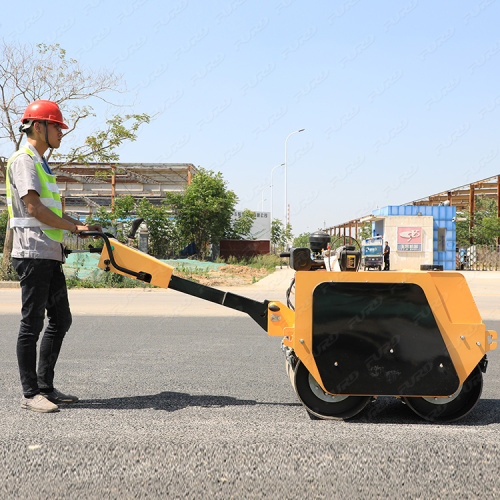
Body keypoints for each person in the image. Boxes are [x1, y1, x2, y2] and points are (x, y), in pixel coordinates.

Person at [5, 100, 102, 413]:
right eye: (57, 126)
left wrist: (78, 228)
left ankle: (45, 387)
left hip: (48, 252)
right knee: (31, 324)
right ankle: (30, 393)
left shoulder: (42, 163)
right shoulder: (24, 161)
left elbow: (47, 209)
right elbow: (34, 209)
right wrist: (75, 226)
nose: (62, 132)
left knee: (61, 319)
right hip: (32, 252)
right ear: (38, 127)